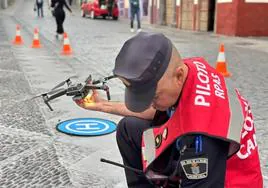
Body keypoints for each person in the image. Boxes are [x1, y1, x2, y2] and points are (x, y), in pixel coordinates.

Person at [74, 32, 263, 187]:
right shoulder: (188, 68)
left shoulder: (200, 139)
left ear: (178, 76)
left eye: (153, 97)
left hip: (224, 179)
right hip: (201, 146)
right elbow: (158, 109)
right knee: (128, 129)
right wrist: (101, 105)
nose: (151, 104)